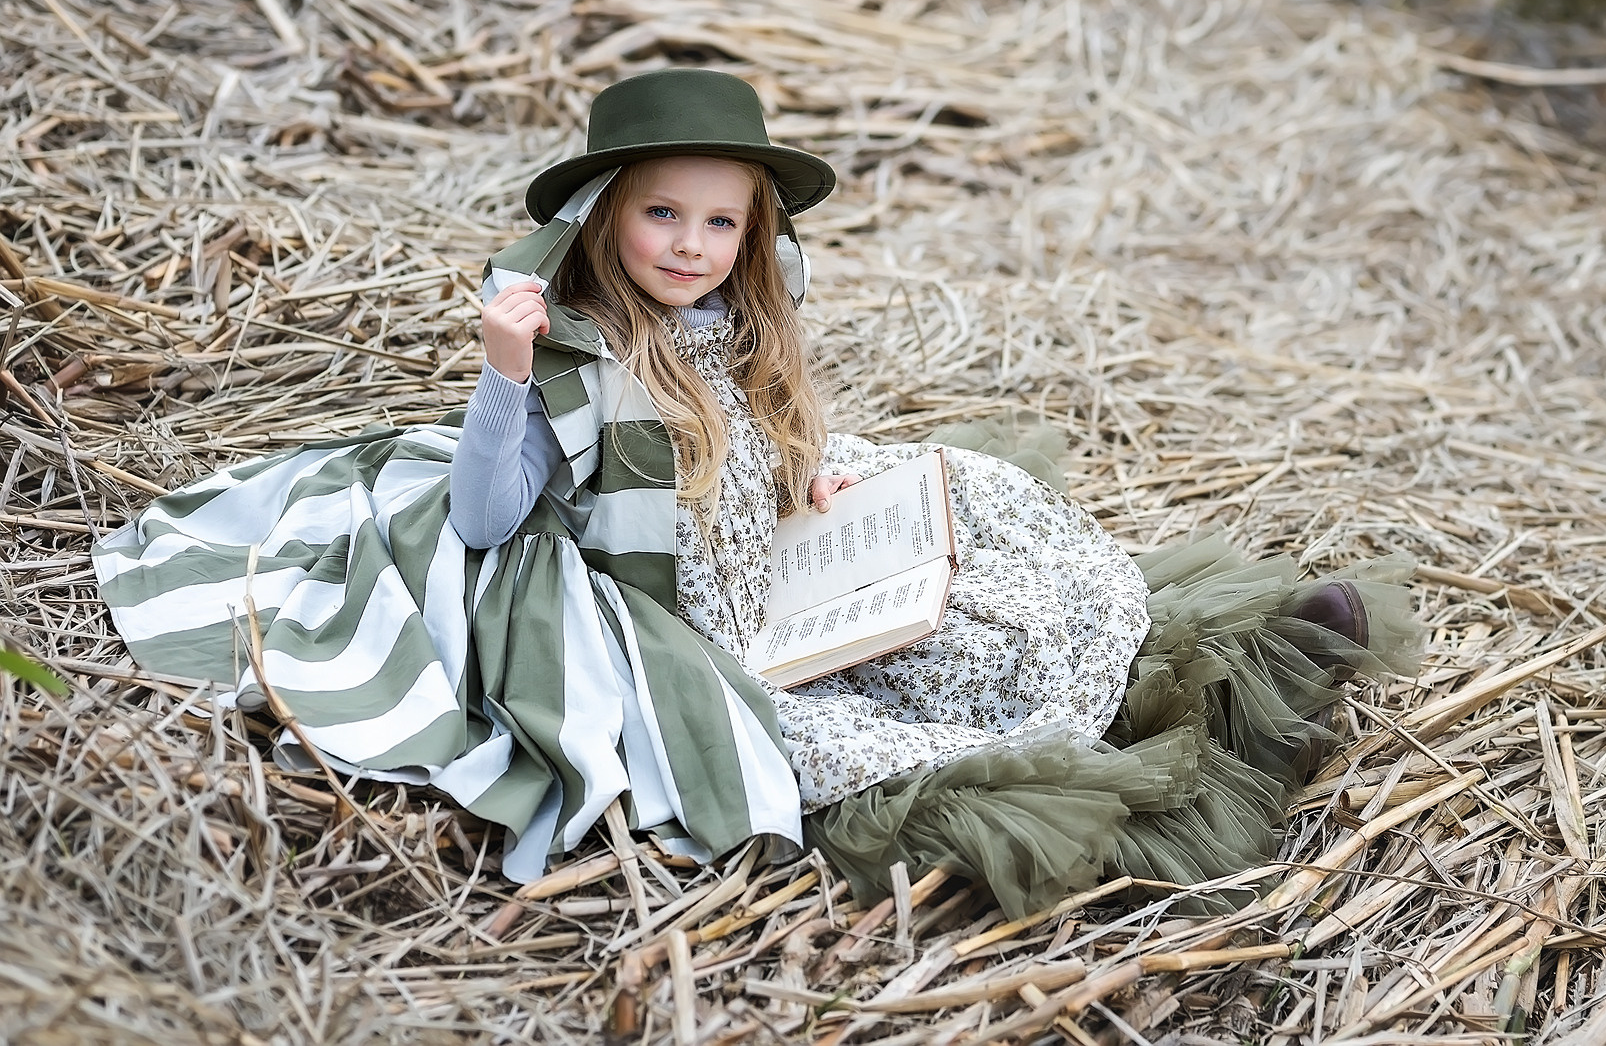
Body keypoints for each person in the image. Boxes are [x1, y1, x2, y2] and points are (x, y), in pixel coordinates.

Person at [94, 69, 1422, 915]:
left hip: (781, 551)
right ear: (610, 214)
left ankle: (1200, 664)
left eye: (719, 222)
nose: (691, 245)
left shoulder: (744, 317)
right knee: (851, 735)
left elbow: (774, 429)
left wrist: (819, 469)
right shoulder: (576, 358)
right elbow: (488, 518)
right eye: (663, 215)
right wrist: (500, 375)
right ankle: (1138, 775)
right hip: (684, 617)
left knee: (992, 531)